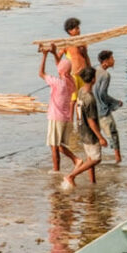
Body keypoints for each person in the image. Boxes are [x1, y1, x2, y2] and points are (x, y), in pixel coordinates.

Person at [64, 66, 106, 189]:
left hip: (82, 129)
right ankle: (71, 175)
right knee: (96, 159)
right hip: (90, 133)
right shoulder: (90, 98)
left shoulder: (81, 91)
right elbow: (91, 121)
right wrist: (101, 137)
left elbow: (78, 108)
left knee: (89, 157)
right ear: (93, 79)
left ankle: (92, 182)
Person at [39, 43, 79, 173]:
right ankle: (72, 162)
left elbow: (41, 73)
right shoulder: (71, 81)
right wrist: (54, 53)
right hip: (65, 118)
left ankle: (60, 168)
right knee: (59, 145)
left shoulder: (58, 83)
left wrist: (44, 56)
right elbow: (62, 69)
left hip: (55, 117)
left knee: (54, 146)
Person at [93, 49, 122, 163]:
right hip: (102, 111)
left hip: (93, 110)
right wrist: (116, 102)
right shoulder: (105, 75)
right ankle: (118, 159)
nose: (113, 60)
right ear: (106, 61)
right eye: (112, 58)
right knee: (113, 135)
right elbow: (102, 94)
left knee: (96, 137)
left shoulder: (95, 70)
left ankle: (95, 159)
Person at [62, 17, 89, 106]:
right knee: (73, 99)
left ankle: (79, 118)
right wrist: (62, 72)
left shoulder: (82, 42)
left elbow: (86, 57)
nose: (79, 30)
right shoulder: (66, 43)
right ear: (70, 31)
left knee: (82, 98)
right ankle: (70, 118)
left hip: (83, 73)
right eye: (76, 28)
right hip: (73, 74)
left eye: (78, 28)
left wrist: (90, 69)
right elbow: (58, 57)